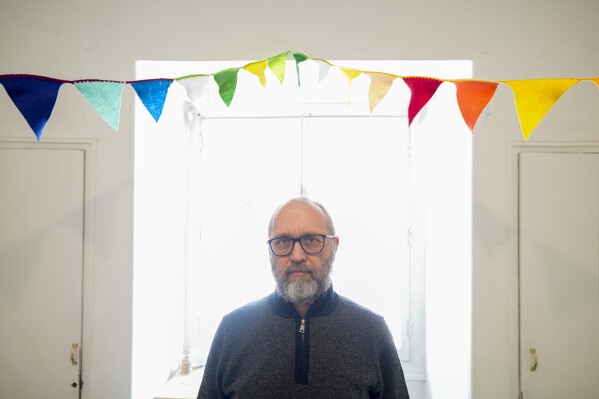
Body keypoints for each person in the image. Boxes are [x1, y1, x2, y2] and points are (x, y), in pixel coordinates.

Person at [197, 197, 410, 399]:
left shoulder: (372, 330)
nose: (297, 256)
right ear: (269, 251)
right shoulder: (232, 329)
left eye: (311, 240)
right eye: (282, 241)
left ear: (334, 246)